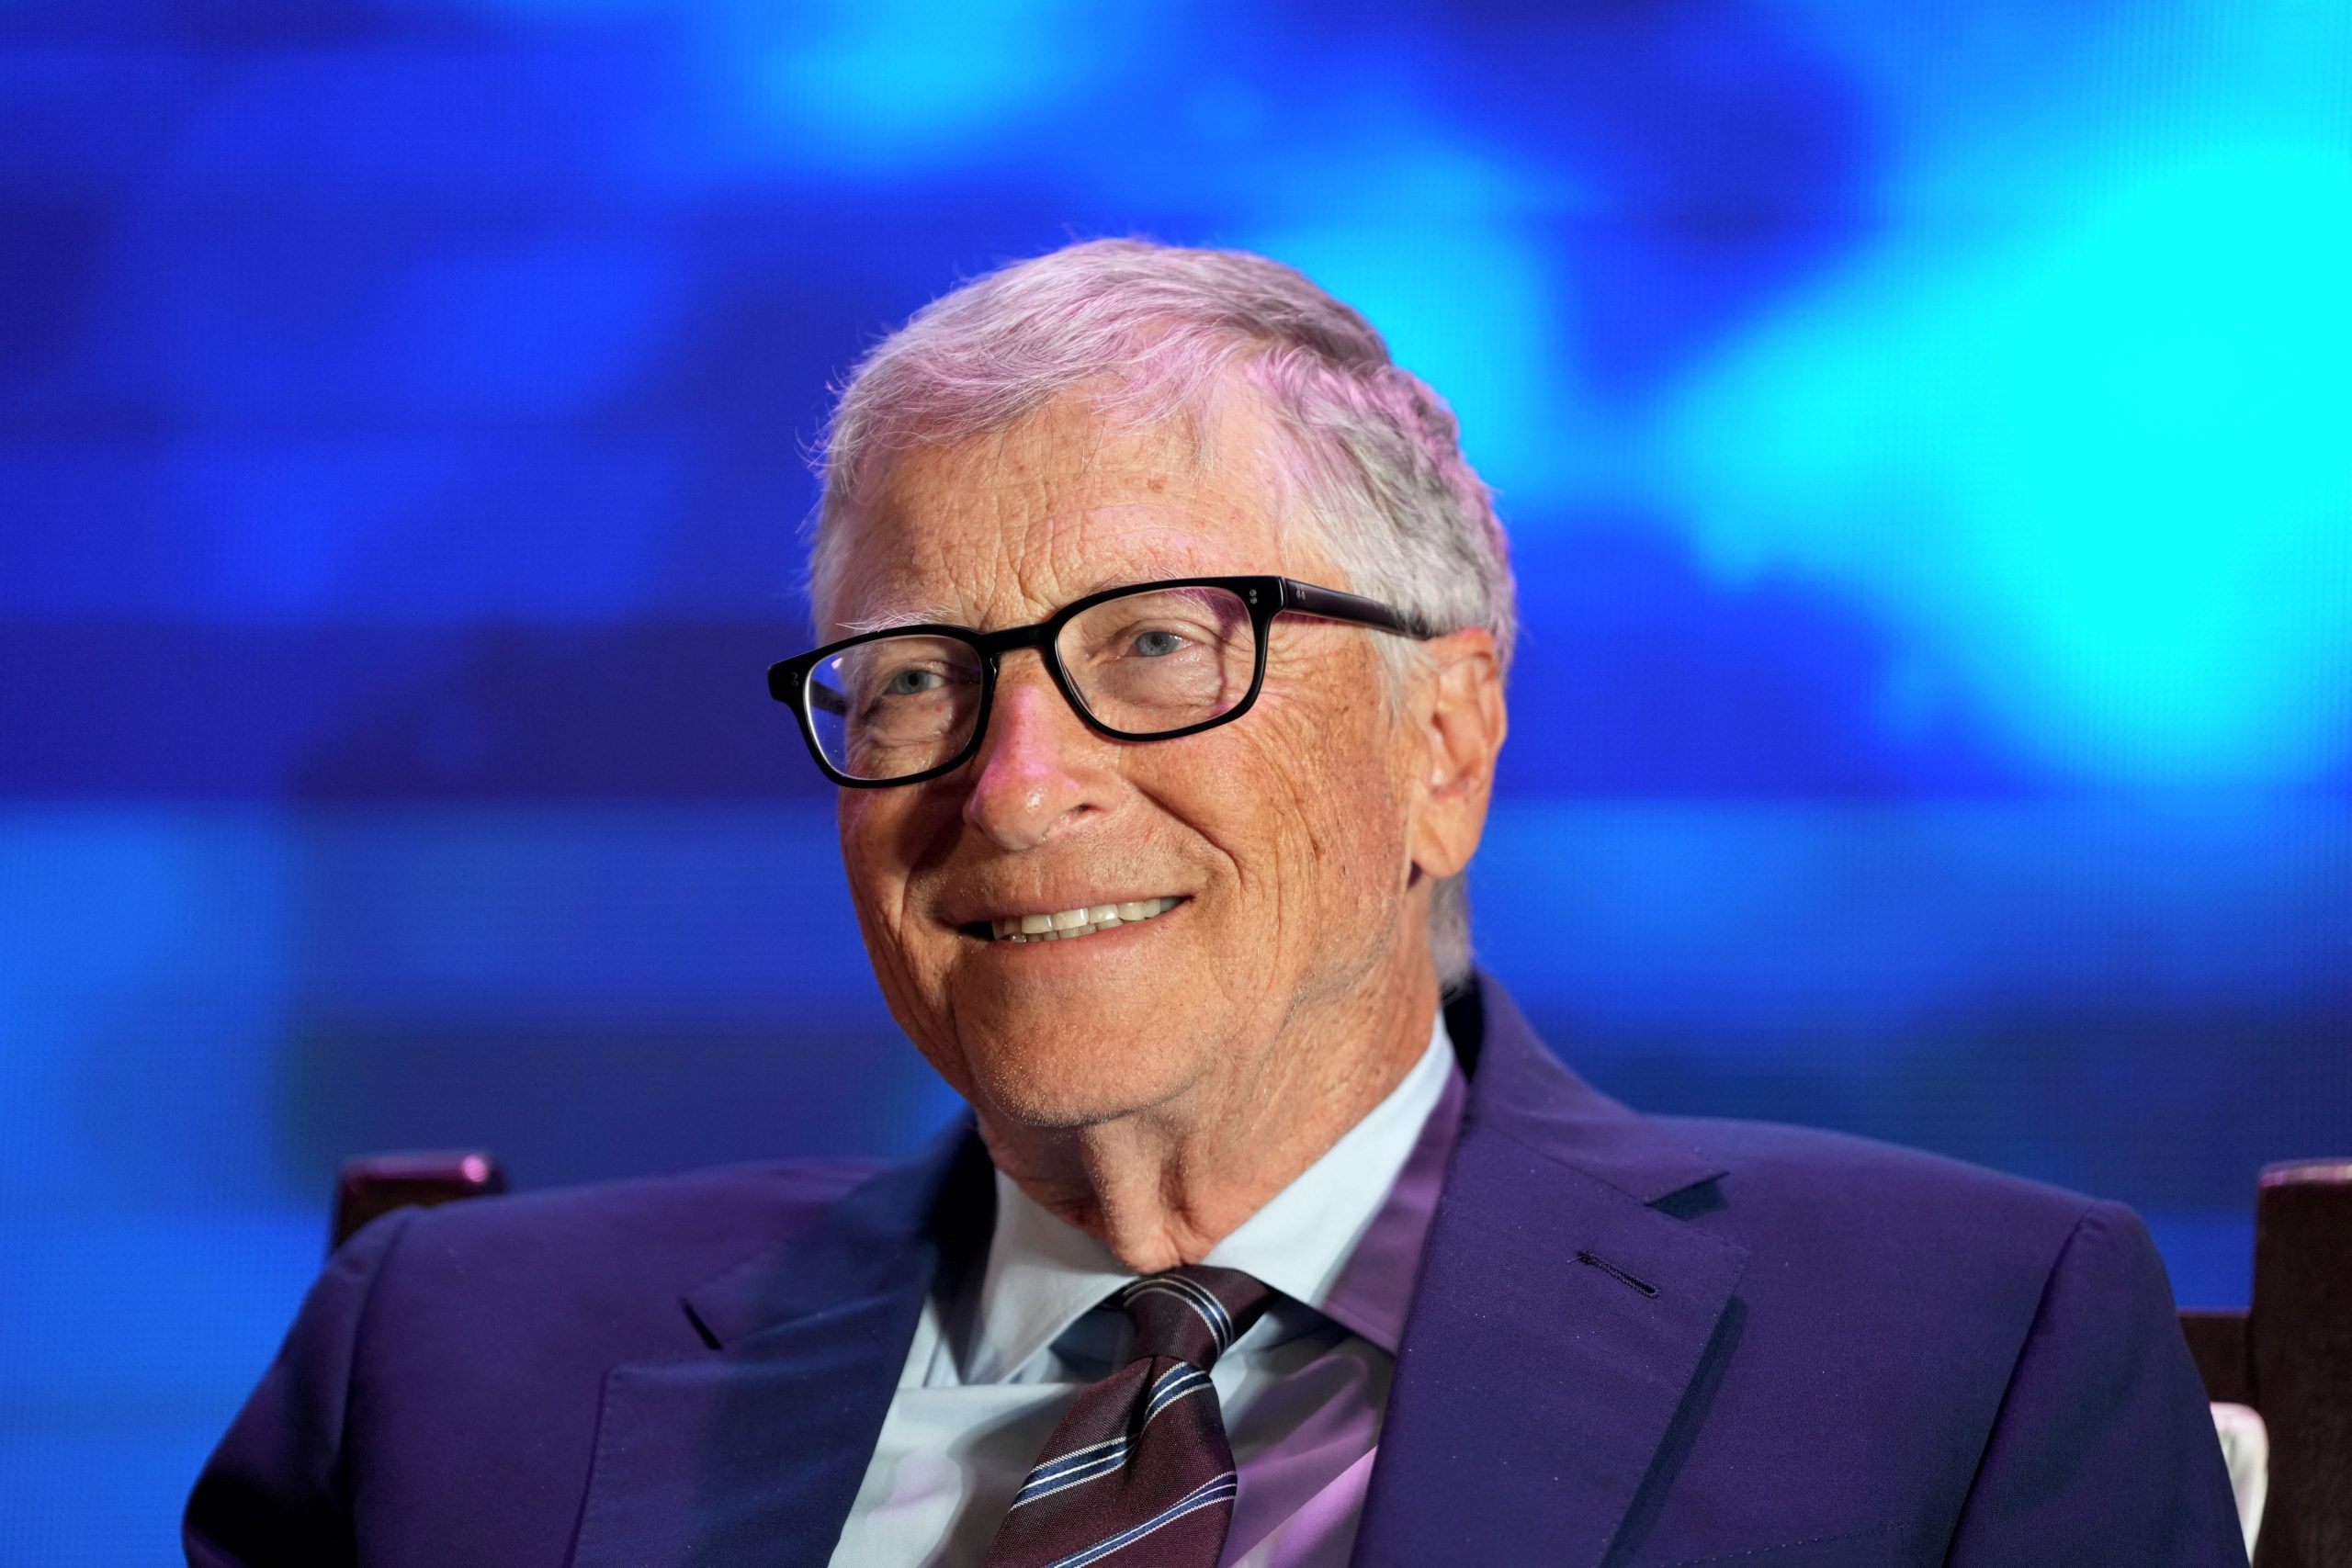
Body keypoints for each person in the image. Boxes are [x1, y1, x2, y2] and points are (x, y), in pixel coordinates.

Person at [186, 240, 2245, 1567]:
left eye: (1160, 644)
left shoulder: (1961, 1349)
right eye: (916, 676)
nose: (1014, 782)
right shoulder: (445, 1371)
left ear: (1444, 741)